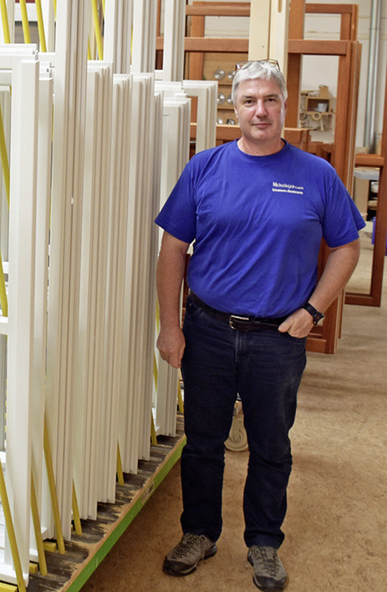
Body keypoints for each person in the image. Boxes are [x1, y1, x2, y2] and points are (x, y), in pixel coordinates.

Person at [154, 59, 364, 592]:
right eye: (249, 101)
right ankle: (199, 533)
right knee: (202, 441)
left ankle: (264, 543)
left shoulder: (315, 174)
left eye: (270, 99)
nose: (260, 110)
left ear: (284, 106)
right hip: (208, 329)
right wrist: (170, 325)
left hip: (278, 338)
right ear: (235, 107)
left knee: (272, 444)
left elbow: (347, 245)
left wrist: (313, 310)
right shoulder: (205, 168)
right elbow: (172, 250)